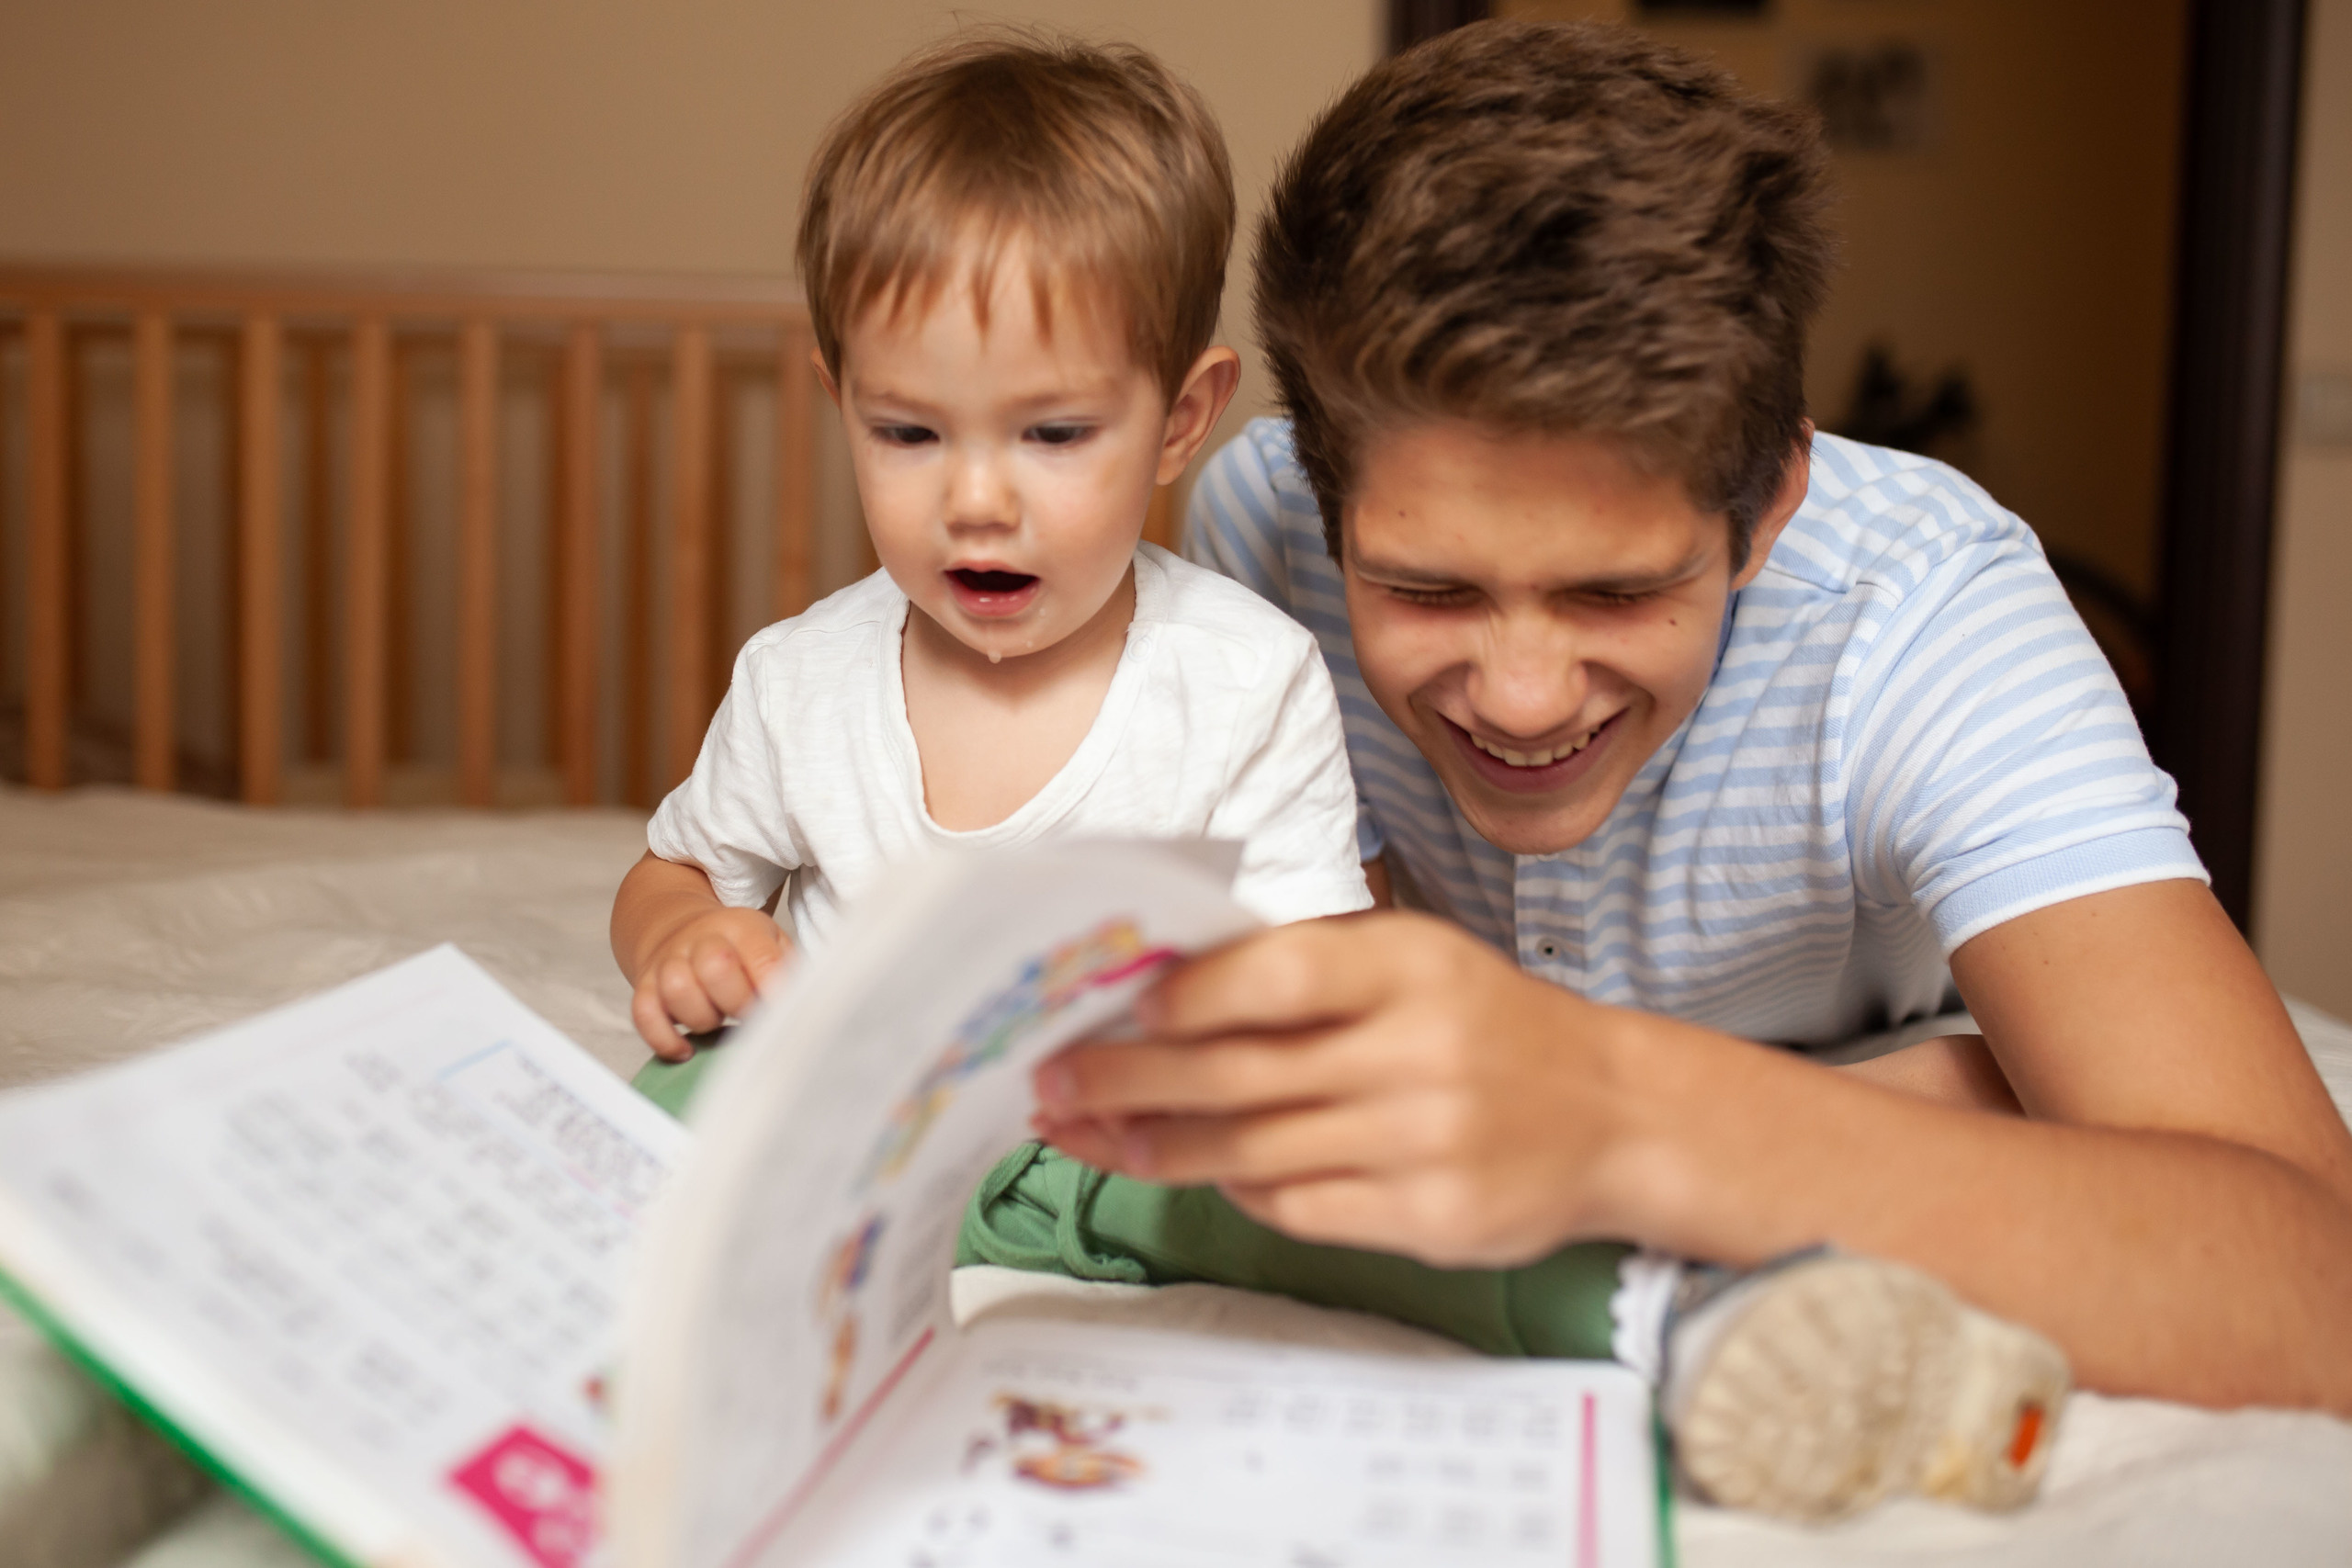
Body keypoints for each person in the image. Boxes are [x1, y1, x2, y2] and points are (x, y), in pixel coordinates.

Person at [981, 18, 2352, 1520]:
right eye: (1427, 591)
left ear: (1767, 509)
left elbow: (2311, 1280)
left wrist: (1624, 1114)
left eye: (1616, 595)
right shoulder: (1258, 531)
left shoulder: (1930, 623)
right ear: (1320, 492)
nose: (1517, 696)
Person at [609, 34, 1373, 1079]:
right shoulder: (799, 682)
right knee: (671, 1096)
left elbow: (1316, 958)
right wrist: (683, 942)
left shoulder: (1247, 680)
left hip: (1118, 1136)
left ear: (1179, 422)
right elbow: (673, 874)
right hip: (853, 1127)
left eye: (1053, 435)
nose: (974, 502)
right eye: (908, 435)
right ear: (844, 409)